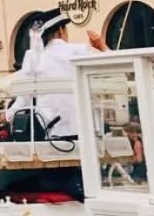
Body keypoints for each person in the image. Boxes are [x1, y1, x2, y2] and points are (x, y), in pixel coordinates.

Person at [7, 8, 105, 138]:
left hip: (52, 131)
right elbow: (110, 68)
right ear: (60, 30)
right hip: (85, 130)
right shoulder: (80, 51)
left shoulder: (34, 58)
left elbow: (25, 97)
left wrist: (8, 115)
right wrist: (102, 47)